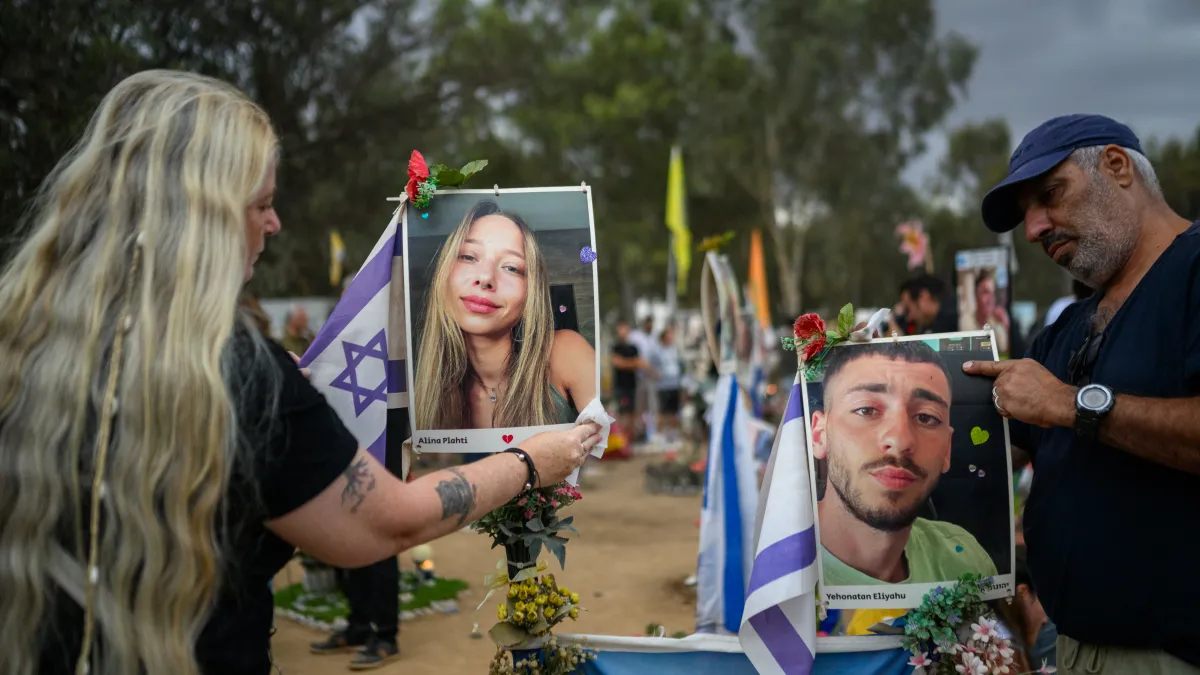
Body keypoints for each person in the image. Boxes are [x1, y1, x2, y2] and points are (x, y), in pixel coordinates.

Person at [0, 70, 603, 675]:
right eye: (260, 204)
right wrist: (530, 462)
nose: (274, 223)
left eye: (512, 268)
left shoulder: (24, 331)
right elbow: (387, 524)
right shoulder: (234, 370)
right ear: (201, 218)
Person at [969, 113, 1200, 673]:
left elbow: (1061, 408)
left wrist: (1074, 406)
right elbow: (992, 456)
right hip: (1071, 646)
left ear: (1117, 167)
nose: (1033, 228)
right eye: (1025, 214)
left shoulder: (1193, 271)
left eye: (1051, 194)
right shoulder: (1068, 326)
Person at [810, 340, 996, 586]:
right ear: (819, 435)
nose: (900, 440)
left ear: (947, 450)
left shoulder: (965, 562)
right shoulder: (780, 575)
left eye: (925, 417)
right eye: (866, 410)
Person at [414, 200, 596, 431]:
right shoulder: (425, 392)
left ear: (531, 293)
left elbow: (613, 446)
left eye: (511, 267)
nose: (486, 278)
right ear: (443, 274)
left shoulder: (565, 352)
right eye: (469, 256)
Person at [610, 320, 654, 439]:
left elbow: (639, 362)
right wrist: (633, 363)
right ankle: (622, 438)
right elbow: (618, 363)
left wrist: (629, 363)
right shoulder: (616, 347)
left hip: (632, 385)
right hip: (620, 385)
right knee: (623, 412)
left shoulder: (633, 347)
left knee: (632, 413)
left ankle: (630, 438)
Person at [959, 270, 1011, 354]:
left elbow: (1007, 352)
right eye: (986, 292)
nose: (990, 299)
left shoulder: (996, 323)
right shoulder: (966, 321)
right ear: (976, 296)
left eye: (992, 293)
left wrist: (1006, 325)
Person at [650, 325, 683, 435]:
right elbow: (651, 365)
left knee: (674, 411)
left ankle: (673, 433)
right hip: (663, 385)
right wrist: (655, 373)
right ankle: (661, 433)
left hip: (674, 384)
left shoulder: (674, 349)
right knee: (663, 411)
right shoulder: (657, 350)